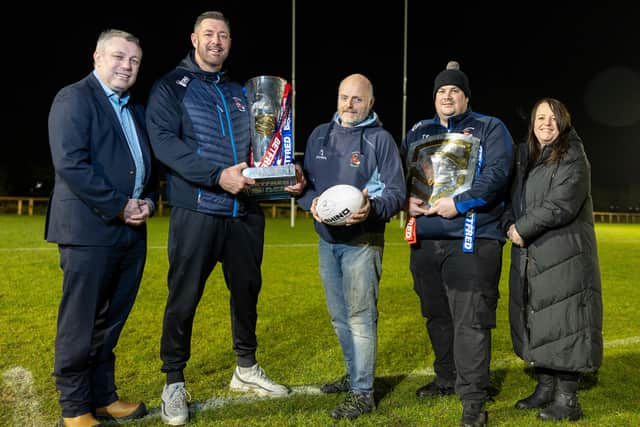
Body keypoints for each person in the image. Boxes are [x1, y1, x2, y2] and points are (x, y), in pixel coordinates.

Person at [145, 11, 304, 426]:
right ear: (194, 38)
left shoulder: (242, 92)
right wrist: (216, 176)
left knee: (247, 294)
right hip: (198, 210)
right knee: (183, 298)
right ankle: (174, 380)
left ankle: (245, 368)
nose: (217, 41)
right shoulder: (170, 87)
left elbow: (260, 149)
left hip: (245, 214)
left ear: (230, 42)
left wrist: (282, 174)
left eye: (224, 35)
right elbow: (163, 144)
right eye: (209, 34)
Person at [46, 29, 156, 427]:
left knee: (110, 322)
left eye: (134, 60)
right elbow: (71, 163)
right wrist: (119, 206)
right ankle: (75, 408)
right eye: (119, 56)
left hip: (129, 232)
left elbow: (145, 169)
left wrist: (147, 202)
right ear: (97, 56)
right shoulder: (74, 98)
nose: (126, 66)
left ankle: (103, 396)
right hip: (88, 231)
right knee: (81, 321)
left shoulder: (134, 109)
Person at [401, 61, 513, 427]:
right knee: (437, 315)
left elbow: (498, 172)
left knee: (471, 321)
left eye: (454, 91)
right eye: (441, 92)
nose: (447, 96)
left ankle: (473, 401)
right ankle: (446, 377)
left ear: (465, 96)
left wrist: (460, 203)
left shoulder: (490, 127)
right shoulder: (419, 130)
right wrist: (406, 199)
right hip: (426, 241)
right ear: (434, 98)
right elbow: (402, 175)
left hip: (473, 238)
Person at [297, 73, 406, 420]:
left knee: (360, 319)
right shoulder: (319, 135)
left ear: (371, 103)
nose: (349, 104)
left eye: (357, 99)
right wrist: (309, 203)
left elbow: (397, 192)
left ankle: (363, 393)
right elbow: (306, 185)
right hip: (327, 242)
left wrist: (372, 209)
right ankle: (353, 374)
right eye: (344, 97)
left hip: (363, 242)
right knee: (340, 317)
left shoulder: (380, 140)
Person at [502, 98, 602, 421]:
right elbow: (513, 199)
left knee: (566, 320)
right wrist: (508, 223)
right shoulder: (528, 157)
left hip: (565, 253)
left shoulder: (573, 155)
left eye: (552, 118)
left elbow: (562, 202)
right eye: (540, 117)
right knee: (540, 318)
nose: (546, 123)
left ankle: (567, 400)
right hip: (533, 254)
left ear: (564, 122)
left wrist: (522, 228)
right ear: (532, 122)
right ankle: (545, 387)